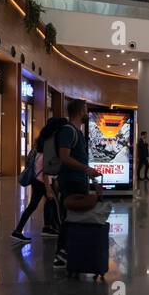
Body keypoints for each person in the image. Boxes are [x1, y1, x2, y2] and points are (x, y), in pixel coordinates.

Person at [53, 99, 103, 268]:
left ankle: (66, 253)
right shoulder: (68, 131)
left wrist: (89, 176)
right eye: (86, 110)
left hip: (78, 180)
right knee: (70, 218)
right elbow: (64, 157)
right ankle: (61, 255)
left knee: (74, 217)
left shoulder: (77, 132)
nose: (87, 114)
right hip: (71, 181)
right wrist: (87, 169)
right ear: (80, 111)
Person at [12, 116, 63, 241]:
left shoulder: (42, 141)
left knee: (34, 205)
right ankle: (62, 233)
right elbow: (46, 168)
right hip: (43, 181)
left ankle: (18, 230)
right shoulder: (50, 144)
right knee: (55, 206)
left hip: (37, 179)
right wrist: (48, 188)